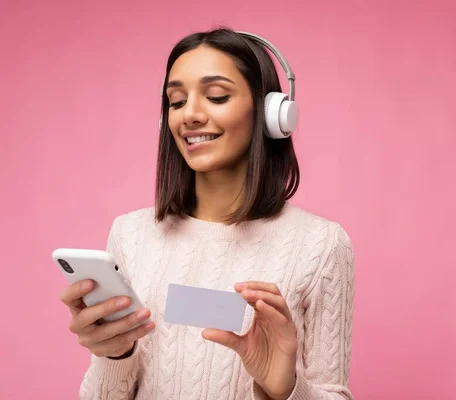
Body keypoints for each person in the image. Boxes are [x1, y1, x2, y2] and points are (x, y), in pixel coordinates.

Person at [59, 28, 355, 400]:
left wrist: (284, 388)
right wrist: (116, 353)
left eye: (216, 96)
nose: (191, 116)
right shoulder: (131, 235)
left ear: (271, 113)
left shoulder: (322, 245)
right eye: (177, 101)